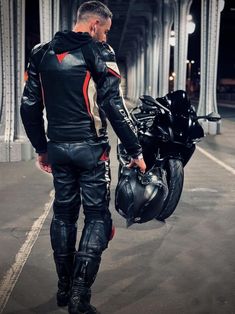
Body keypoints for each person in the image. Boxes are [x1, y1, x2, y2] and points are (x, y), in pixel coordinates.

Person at [21, 1, 146, 313]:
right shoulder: (99, 53)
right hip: (91, 150)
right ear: (94, 26)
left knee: (63, 215)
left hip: (59, 148)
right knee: (98, 218)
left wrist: (42, 148)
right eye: (104, 31)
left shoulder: (40, 53)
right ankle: (79, 297)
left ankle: (64, 289)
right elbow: (115, 107)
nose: (105, 37)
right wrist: (136, 150)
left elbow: (29, 106)